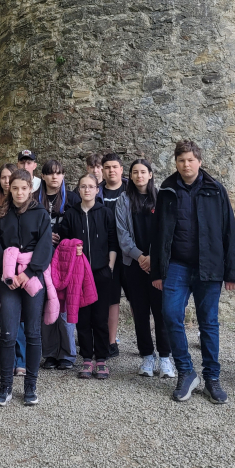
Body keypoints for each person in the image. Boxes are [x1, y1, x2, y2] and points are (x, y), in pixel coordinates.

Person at [151, 140, 235, 404]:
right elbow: (158, 234)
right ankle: (186, 372)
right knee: (170, 315)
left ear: (199, 162)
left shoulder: (215, 190)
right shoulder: (167, 190)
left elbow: (229, 231)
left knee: (208, 322)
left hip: (209, 266)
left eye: (190, 160)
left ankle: (212, 377)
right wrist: (157, 271)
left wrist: (231, 272)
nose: (186, 165)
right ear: (176, 163)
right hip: (176, 266)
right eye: (181, 160)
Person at [0, 169, 53, 407]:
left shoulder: (41, 214)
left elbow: (45, 247)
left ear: (31, 188)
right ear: (9, 188)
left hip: (32, 277)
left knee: (33, 332)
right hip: (9, 280)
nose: (19, 192)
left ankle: (30, 386)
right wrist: (7, 273)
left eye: (23, 188)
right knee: (7, 332)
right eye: (15, 188)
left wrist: (28, 272)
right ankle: (5, 386)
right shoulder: (0, 214)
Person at [117, 158, 175, 378]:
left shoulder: (161, 198)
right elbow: (122, 234)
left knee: (161, 312)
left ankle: (165, 357)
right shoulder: (123, 200)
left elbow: (166, 232)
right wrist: (140, 256)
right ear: (130, 176)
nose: (139, 176)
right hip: (134, 265)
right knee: (140, 313)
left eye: (143, 172)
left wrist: (153, 258)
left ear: (150, 174)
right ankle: (147, 356)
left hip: (157, 266)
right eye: (135, 172)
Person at [56, 173, 117, 379]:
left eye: (91, 186)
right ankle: (87, 359)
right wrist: (70, 247)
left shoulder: (106, 213)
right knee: (83, 318)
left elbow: (113, 241)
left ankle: (101, 359)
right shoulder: (71, 214)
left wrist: (109, 267)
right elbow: (63, 243)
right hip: (79, 275)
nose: (87, 190)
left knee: (100, 317)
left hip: (101, 272)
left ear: (97, 190)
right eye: (83, 186)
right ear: (79, 190)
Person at [35, 159, 78, 371]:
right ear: (42, 176)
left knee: (64, 306)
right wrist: (44, 237)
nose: (54, 177)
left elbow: (77, 227)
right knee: (46, 304)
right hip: (42, 258)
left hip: (65, 259)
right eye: (50, 173)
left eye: (59, 173)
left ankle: (67, 353)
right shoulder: (34, 199)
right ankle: (50, 353)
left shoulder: (72, 198)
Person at [0, 162, 25, 375]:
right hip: (1, 269)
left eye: (10, 177)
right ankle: (8, 359)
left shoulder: (26, 205)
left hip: (24, 269)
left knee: (21, 317)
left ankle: (21, 358)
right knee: (6, 315)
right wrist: (1, 267)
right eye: (3, 177)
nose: (7, 181)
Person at [99, 153, 127, 358]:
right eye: (107, 167)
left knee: (137, 298)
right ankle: (110, 341)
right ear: (102, 170)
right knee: (111, 298)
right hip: (106, 252)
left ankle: (146, 345)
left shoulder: (130, 190)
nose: (111, 171)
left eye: (115, 167)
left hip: (130, 252)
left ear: (121, 169)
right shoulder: (96, 191)